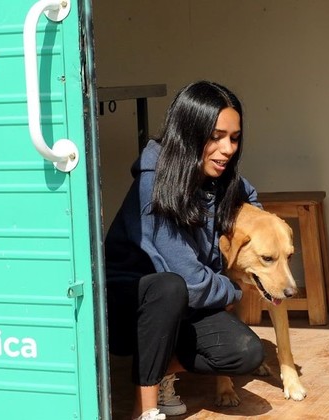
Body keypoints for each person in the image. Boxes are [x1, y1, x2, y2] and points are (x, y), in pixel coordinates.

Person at [105, 80, 265, 420]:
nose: (227, 149)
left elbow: (251, 199)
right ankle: (145, 409)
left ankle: (160, 369)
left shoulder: (220, 177)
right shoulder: (153, 185)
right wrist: (233, 288)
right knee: (169, 286)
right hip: (130, 312)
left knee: (246, 352)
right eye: (216, 136)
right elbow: (190, 281)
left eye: (234, 138)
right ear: (189, 133)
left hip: (186, 306)